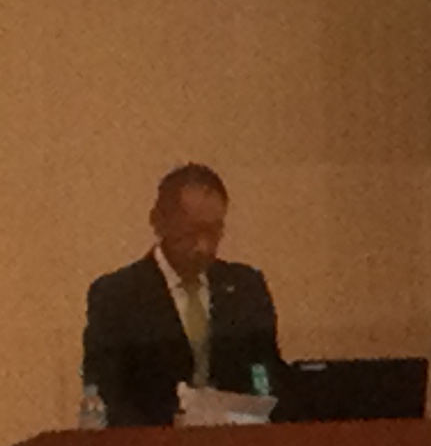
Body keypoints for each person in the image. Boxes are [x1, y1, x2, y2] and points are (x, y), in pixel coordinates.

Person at [80, 162, 283, 426]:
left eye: (214, 231)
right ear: (159, 222)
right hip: (153, 443)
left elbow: (266, 375)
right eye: (191, 232)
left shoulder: (246, 288)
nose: (203, 246)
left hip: (237, 441)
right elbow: (108, 392)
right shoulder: (117, 295)